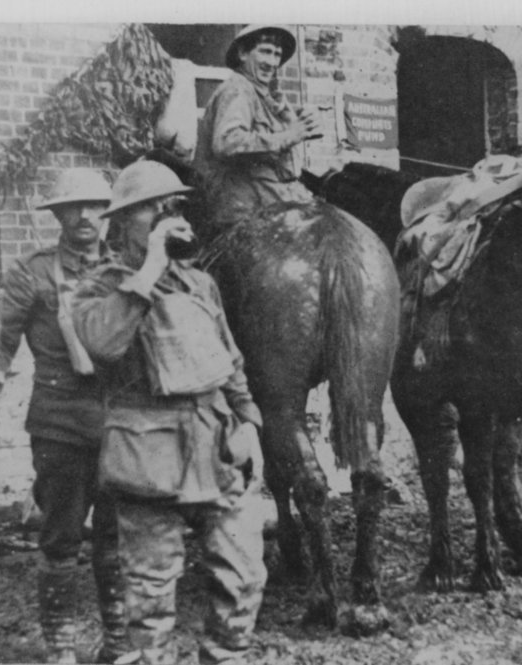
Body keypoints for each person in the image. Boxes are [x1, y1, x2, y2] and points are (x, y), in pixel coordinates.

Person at [71, 160, 265, 665]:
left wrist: (248, 421)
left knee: (243, 576)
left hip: (215, 445)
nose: (166, 218)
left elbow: (231, 359)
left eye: (172, 207)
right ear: (122, 222)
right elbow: (103, 345)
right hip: (148, 456)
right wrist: (150, 267)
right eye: (152, 211)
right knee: (151, 596)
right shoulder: (99, 285)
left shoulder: (200, 284)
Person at [0, 167, 127, 663]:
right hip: (60, 425)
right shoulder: (32, 272)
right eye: (72, 207)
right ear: (59, 214)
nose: (84, 216)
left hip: (120, 426)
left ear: (108, 213)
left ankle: (119, 641)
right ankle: (61, 642)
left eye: (94, 206)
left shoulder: (126, 270)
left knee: (116, 537)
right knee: (61, 537)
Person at [193, 24, 322, 236]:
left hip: (269, 200)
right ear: (243, 53)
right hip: (241, 208)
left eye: (277, 54)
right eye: (265, 51)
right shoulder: (238, 88)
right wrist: (287, 136)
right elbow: (227, 141)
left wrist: (299, 121)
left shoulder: (261, 95)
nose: (272, 62)